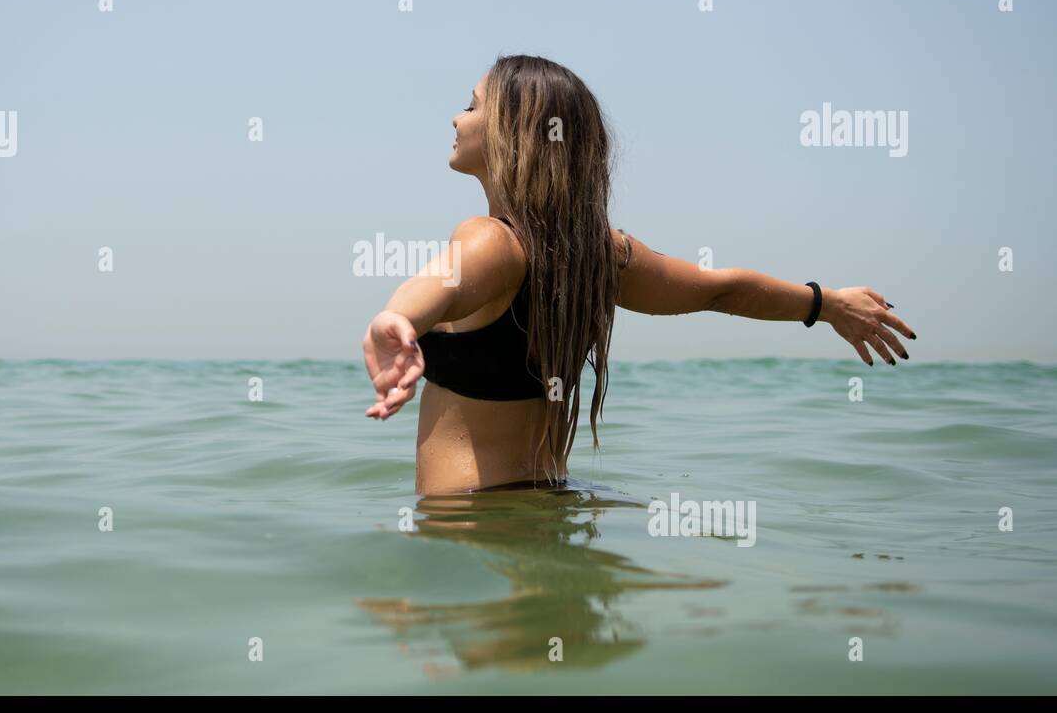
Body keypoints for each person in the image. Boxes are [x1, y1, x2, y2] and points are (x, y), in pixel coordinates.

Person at [362, 54, 916, 495]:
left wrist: (398, 316)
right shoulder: (596, 253)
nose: (456, 118)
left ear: (516, 131)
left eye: (472, 105)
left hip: (475, 530)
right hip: (553, 503)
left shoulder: (489, 239)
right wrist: (826, 303)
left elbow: (445, 282)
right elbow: (719, 290)